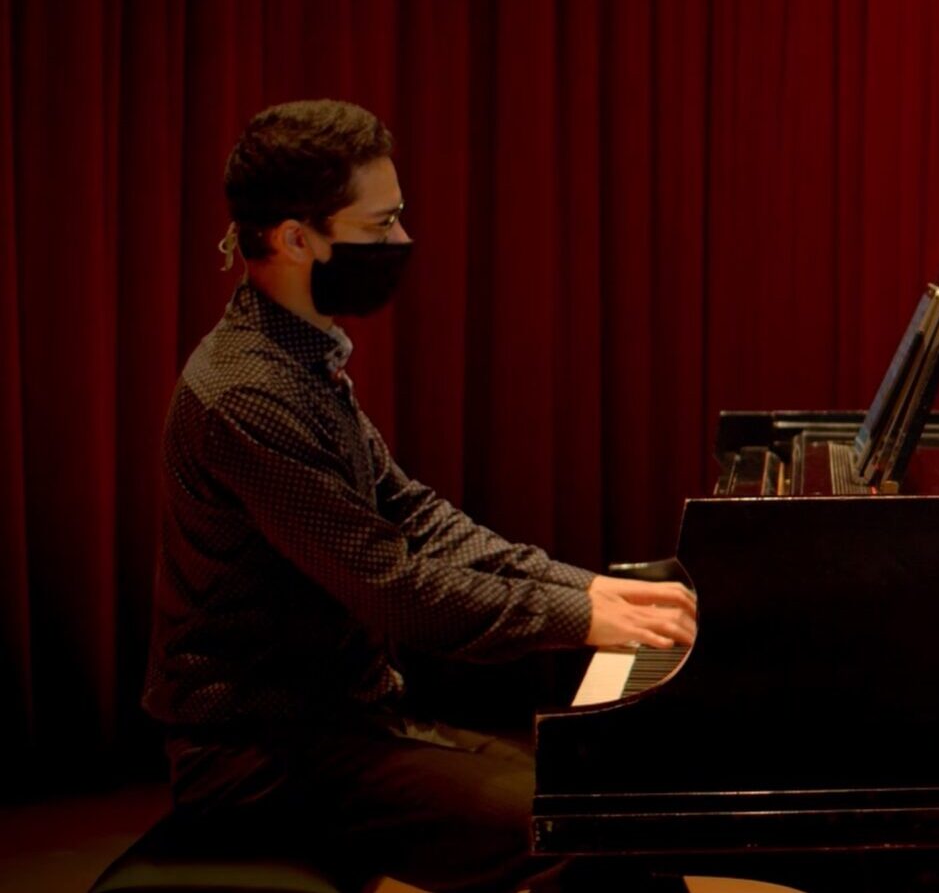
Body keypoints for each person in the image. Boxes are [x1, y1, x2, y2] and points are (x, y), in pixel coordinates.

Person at [143, 99, 698, 892]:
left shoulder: (297, 355)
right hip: (259, 755)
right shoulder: (245, 394)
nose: (401, 241)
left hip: (347, 721)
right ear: (297, 239)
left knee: (601, 804)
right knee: (580, 831)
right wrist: (579, 619)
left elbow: (415, 515)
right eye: (381, 225)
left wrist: (585, 588)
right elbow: (394, 587)